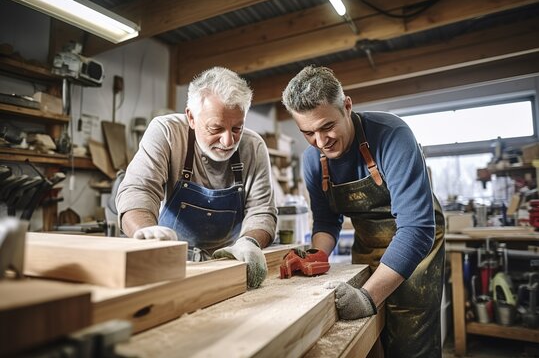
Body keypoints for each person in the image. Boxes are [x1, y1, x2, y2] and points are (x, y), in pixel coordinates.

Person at [281, 66, 445, 357]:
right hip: (368, 243)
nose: (320, 142)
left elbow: (418, 228)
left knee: (409, 341)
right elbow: (327, 220)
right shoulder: (312, 161)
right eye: (308, 132)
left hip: (418, 246)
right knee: (366, 340)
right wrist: (317, 255)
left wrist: (368, 296)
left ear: (347, 106)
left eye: (327, 126)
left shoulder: (392, 135)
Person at [116, 67, 277, 288]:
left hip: (229, 267)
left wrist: (249, 243)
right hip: (169, 264)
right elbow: (138, 190)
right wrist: (146, 233)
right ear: (191, 117)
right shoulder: (167, 133)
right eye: (216, 128)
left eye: (237, 128)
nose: (228, 141)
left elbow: (262, 212)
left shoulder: (254, 146)